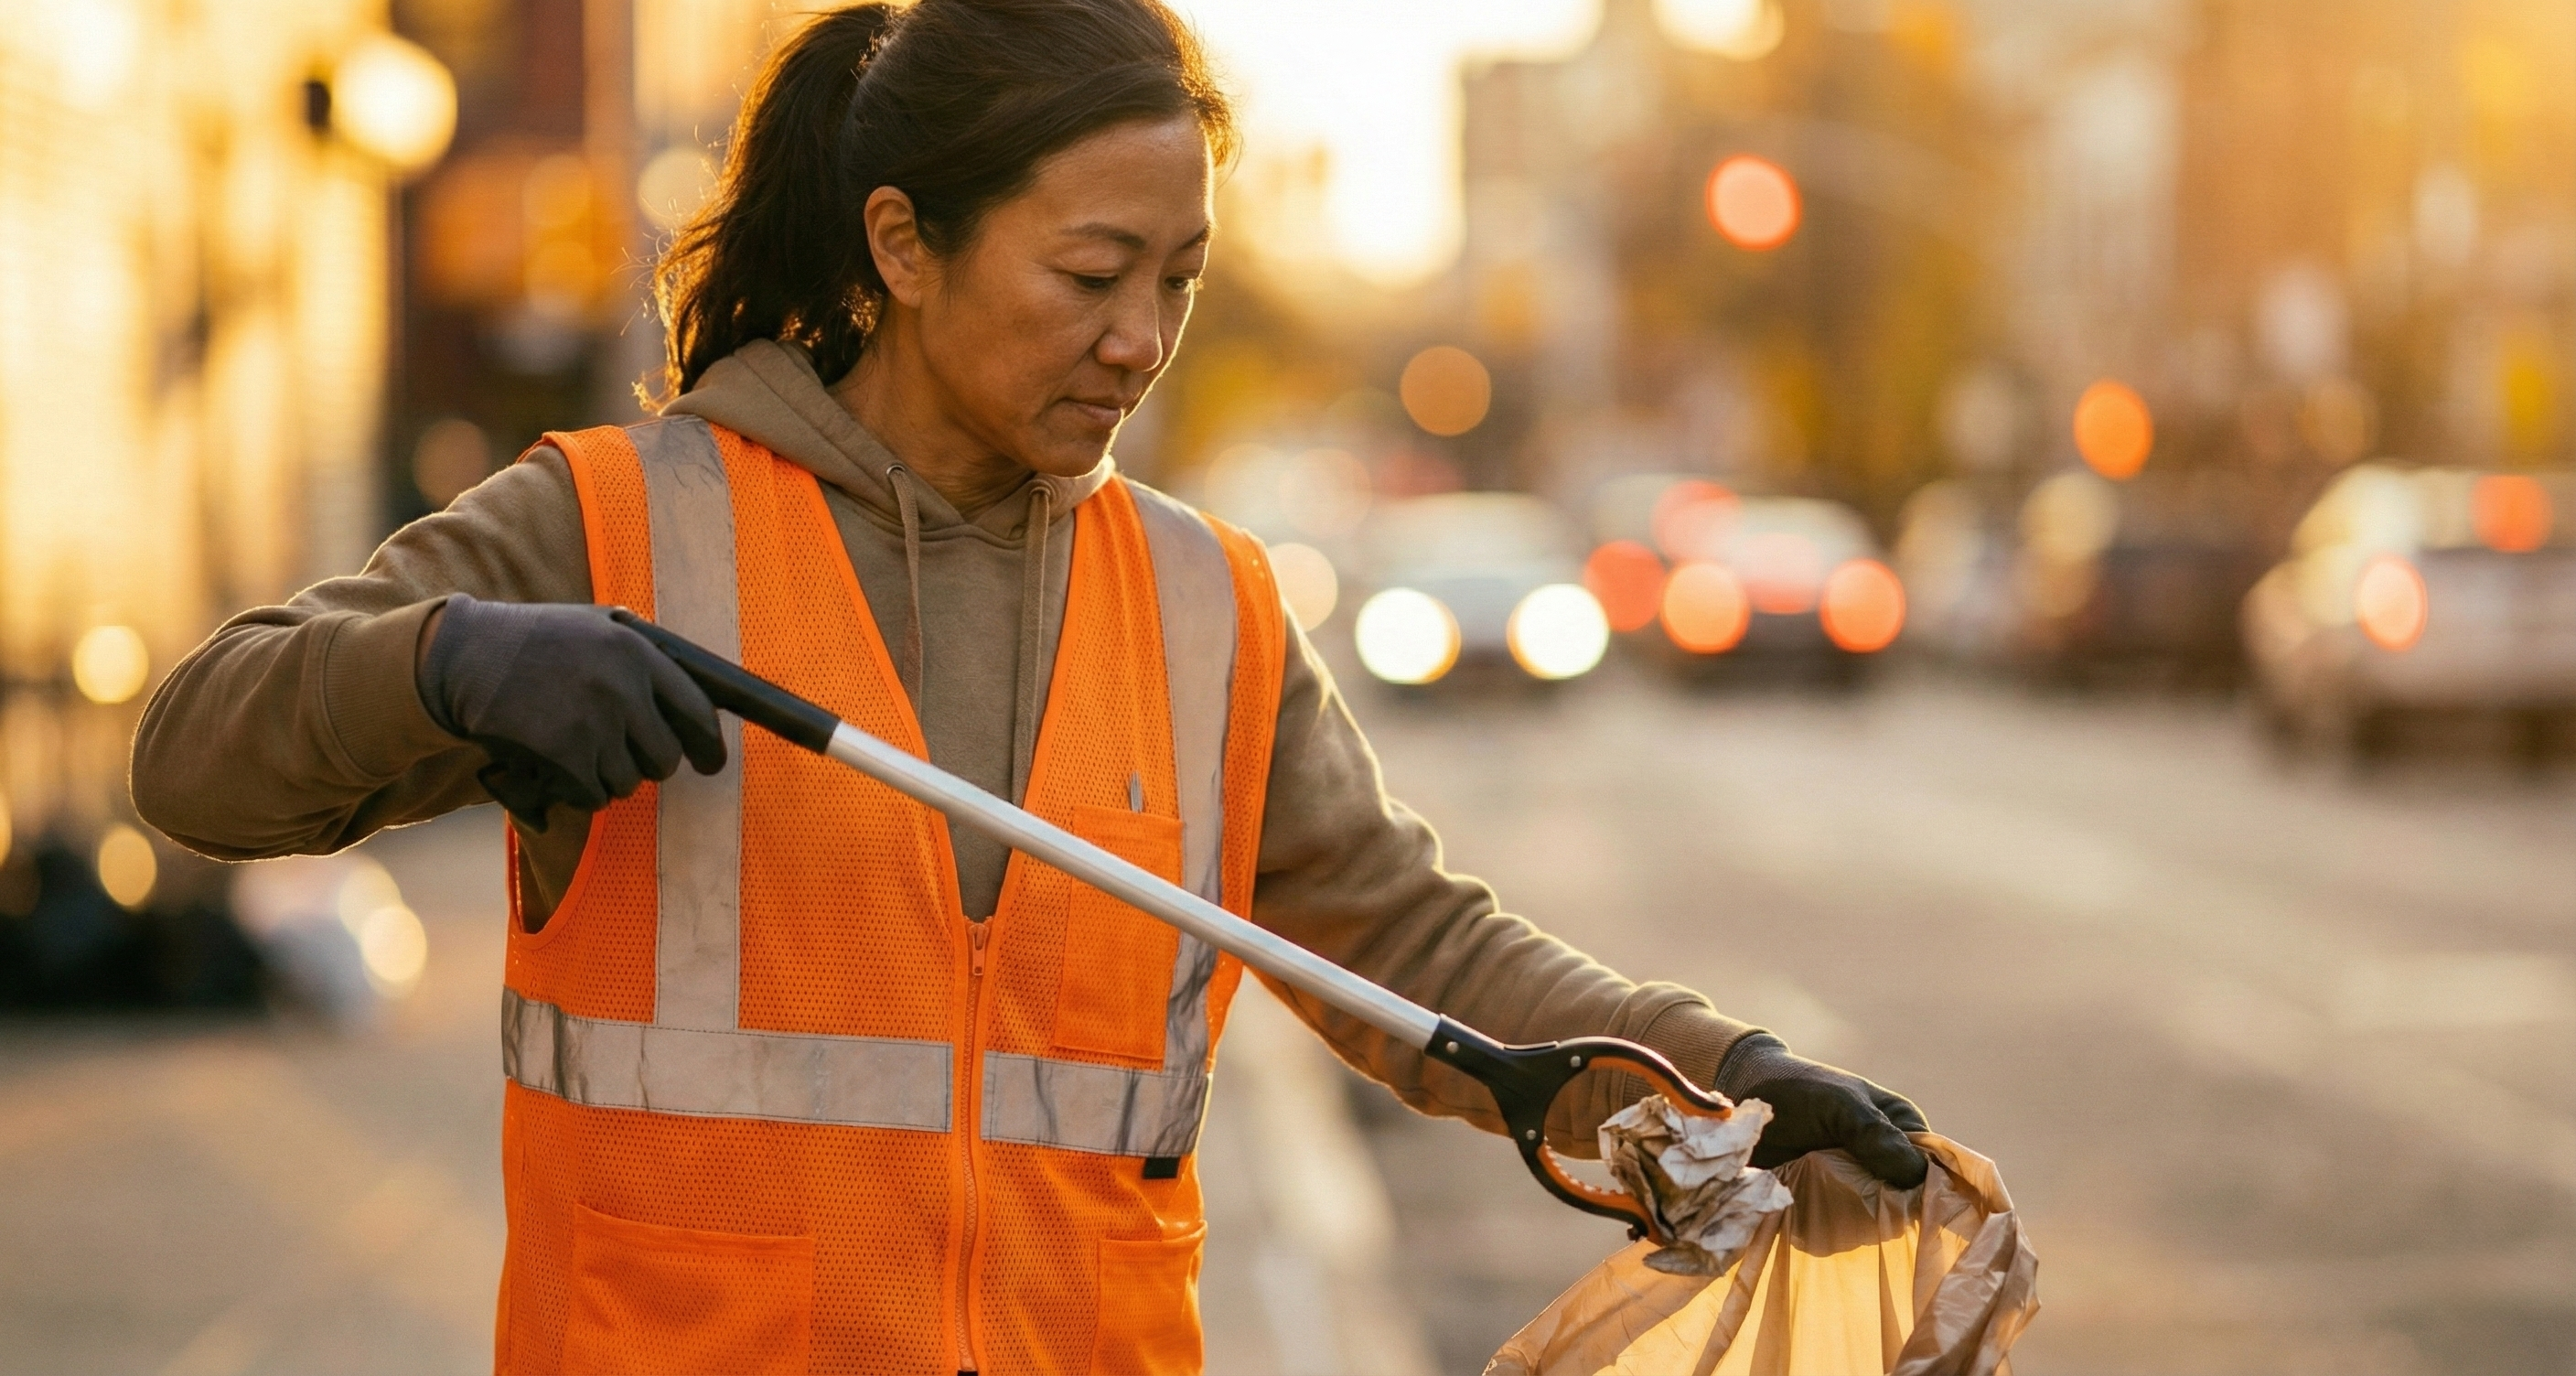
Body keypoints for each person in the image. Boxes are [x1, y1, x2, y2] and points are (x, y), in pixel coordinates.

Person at [130, 2, 1928, 1371]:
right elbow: (194, 759)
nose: (1140, 340)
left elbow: (1417, 951)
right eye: (1089, 274)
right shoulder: (618, 525)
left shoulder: (1206, 606)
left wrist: (1727, 1073)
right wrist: (452, 663)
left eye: (1180, 279)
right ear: (904, 245)